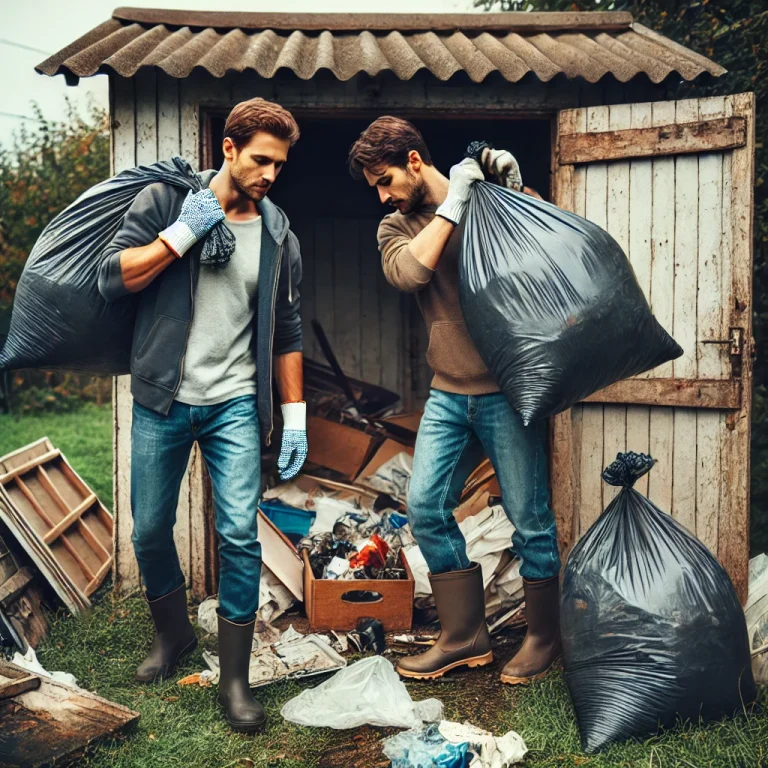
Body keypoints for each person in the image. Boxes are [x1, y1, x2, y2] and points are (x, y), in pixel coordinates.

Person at [98, 98, 307, 731]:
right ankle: (174, 638)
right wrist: (182, 234)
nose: (270, 173)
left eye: (280, 164)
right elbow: (115, 277)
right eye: (261, 159)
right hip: (163, 398)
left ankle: (236, 680)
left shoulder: (278, 233)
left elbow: (288, 327)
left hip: (234, 406)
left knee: (240, 534)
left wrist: (294, 415)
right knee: (149, 531)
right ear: (229, 150)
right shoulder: (166, 204)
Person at [348, 117, 560, 685]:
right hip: (447, 393)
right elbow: (410, 273)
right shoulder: (395, 226)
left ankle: (542, 638)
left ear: (415, 161)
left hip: (507, 393)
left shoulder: (490, 203)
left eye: (385, 179)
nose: (382, 194)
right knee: (425, 508)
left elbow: (545, 249)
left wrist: (515, 191)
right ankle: (464, 637)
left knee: (529, 520)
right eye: (375, 186)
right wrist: (454, 202)